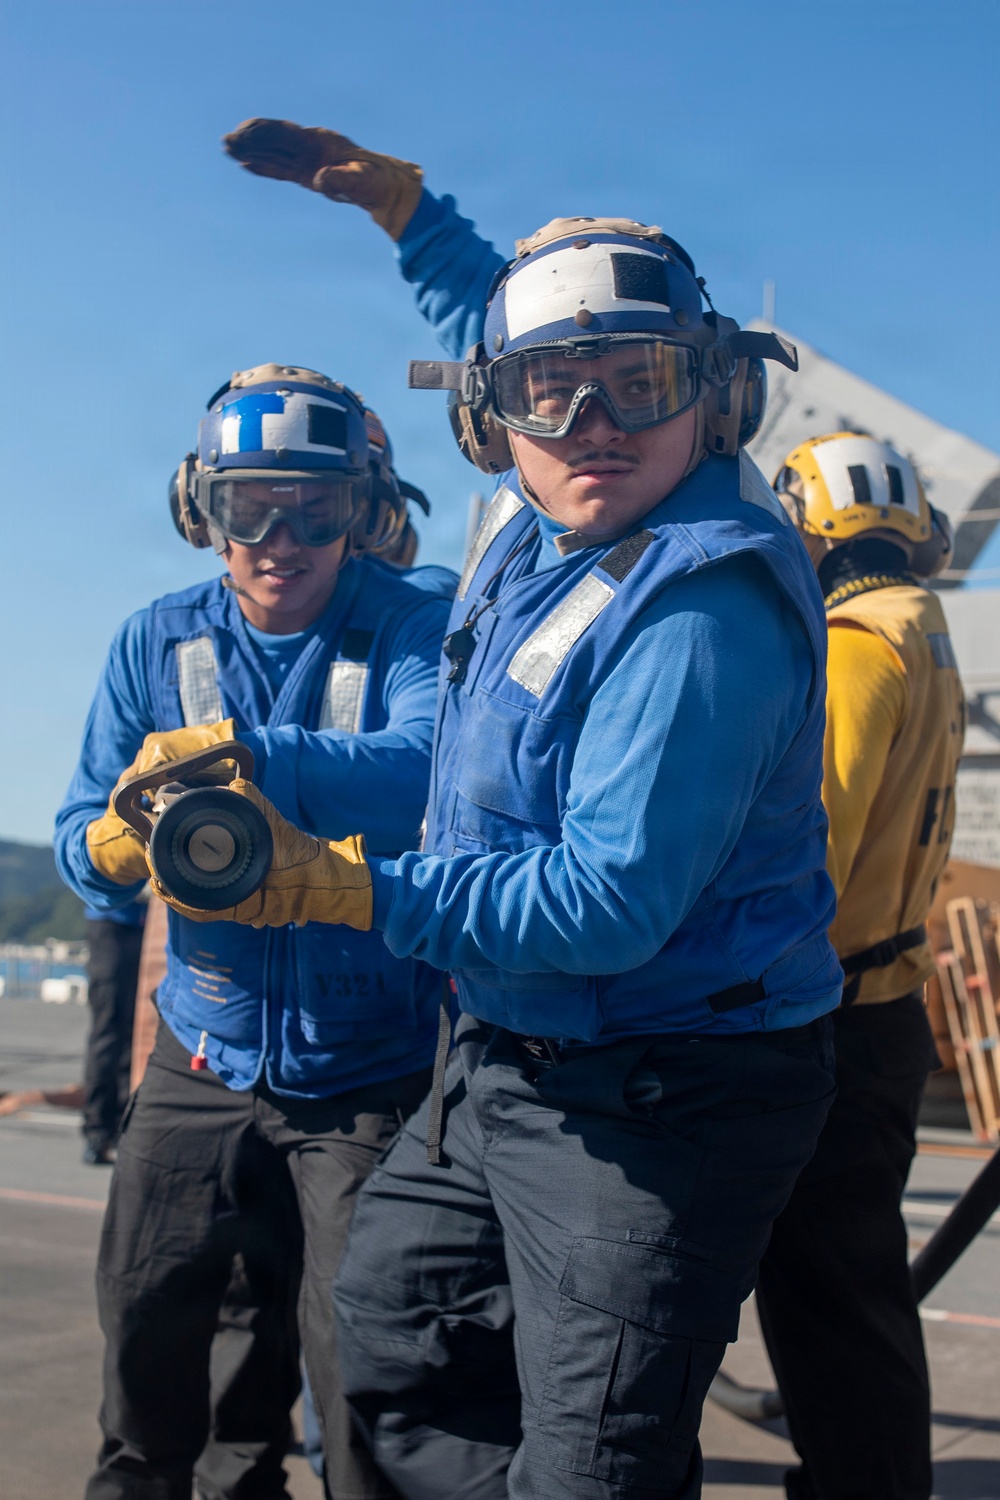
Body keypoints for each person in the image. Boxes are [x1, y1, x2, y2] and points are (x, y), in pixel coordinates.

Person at [158, 160, 845, 1495]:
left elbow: (605, 907)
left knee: (593, 1459)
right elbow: (525, 325)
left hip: (663, 1091)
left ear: (710, 395)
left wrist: (349, 889)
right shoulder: (559, 519)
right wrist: (417, 224)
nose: (591, 422)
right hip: (502, 1056)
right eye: (549, 393)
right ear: (492, 418)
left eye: (637, 385)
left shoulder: (701, 614)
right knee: (395, 1334)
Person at [54, 364, 454, 1500]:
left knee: (365, 1367)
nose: (279, 538)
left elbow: (429, 769)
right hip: (202, 1050)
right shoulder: (155, 641)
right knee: (144, 1325)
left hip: (370, 1069)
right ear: (203, 511)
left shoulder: (415, 630)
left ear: (360, 511)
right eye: (247, 507)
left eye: (312, 508)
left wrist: (241, 758)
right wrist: (115, 849)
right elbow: (80, 826)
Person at [751, 434, 964, 1500]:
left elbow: (808, 850)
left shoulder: (849, 647)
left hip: (829, 1017)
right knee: (858, 1296)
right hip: (888, 1004)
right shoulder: (924, 630)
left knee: (829, 1305)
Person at [81, 895, 146, 1164]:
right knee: (108, 1032)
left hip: (150, 924)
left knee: (138, 1032)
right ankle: (98, 1130)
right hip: (111, 923)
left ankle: (125, 1125)